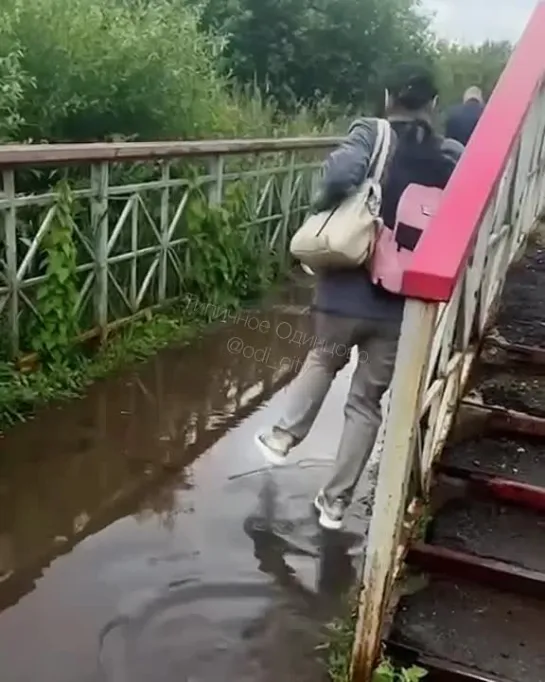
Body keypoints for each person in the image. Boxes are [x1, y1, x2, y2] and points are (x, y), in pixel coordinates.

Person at [255, 62, 464, 531]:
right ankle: (334, 504)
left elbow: (338, 175)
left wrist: (328, 207)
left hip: (347, 286)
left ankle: (283, 438)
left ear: (389, 95)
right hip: (400, 299)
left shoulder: (372, 133)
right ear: (433, 105)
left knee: (324, 358)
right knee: (366, 402)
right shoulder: (451, 156)